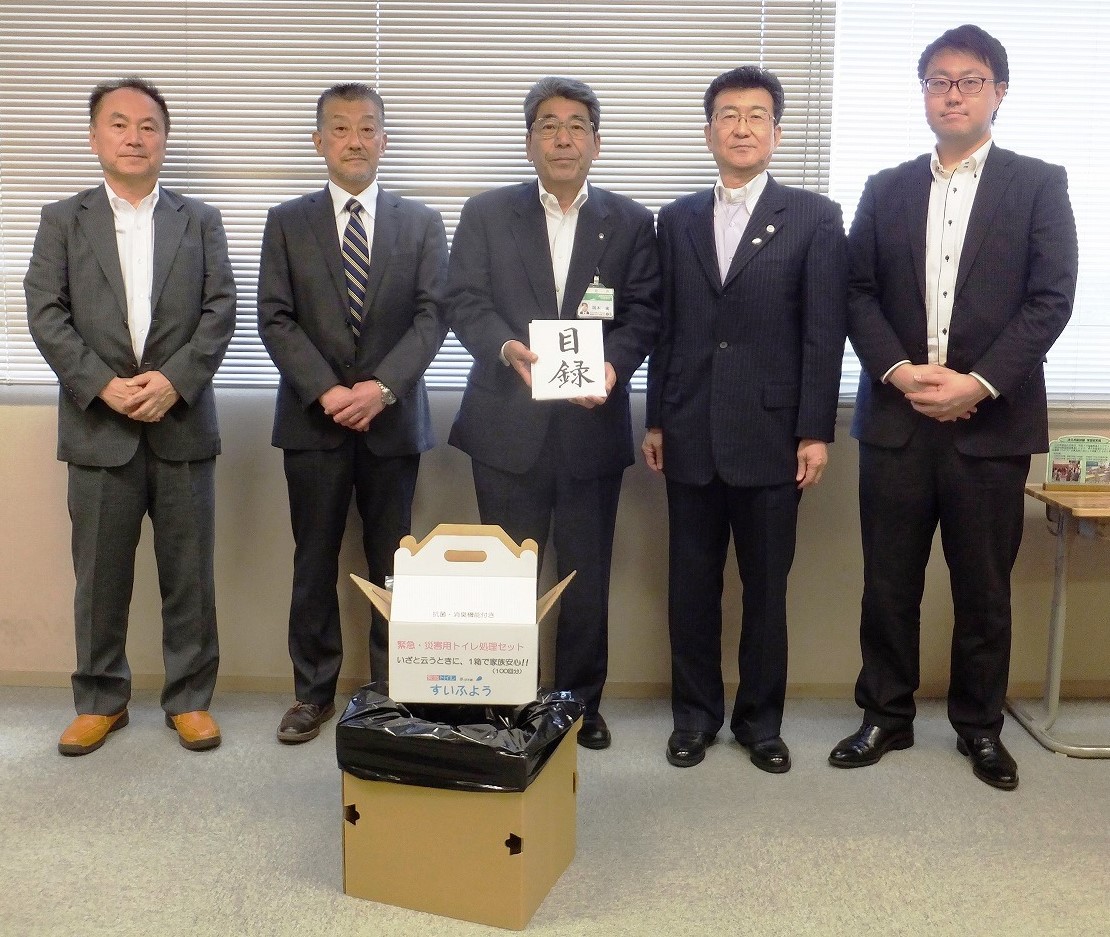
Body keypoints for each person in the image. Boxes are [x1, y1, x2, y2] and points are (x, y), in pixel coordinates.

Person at [829, 25, 1078, 790]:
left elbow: (1050, 299)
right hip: (896, 422)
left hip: (992, 426)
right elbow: (856, 292)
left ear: (999, 91)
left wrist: (977, 383)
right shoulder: (885, 188)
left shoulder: (1038, 184)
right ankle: (885, 714)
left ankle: (980, 727)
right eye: (938, 81)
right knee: (887, 584)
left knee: (984, 591)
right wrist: (902, 372)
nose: (953, 94)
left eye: (970, 80)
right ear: (924, 95)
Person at [642, 67, 847, 772]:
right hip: (690, 429)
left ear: (776, 133)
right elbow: (665, 327)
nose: (741, 128)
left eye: (756, 116)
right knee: (691, 588)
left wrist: (814, 430)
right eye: (728, 115)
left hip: (772, 435)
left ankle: (760, 723)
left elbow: (824, 332)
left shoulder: (815, 217)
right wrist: (657, 418)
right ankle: (694, 717)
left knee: (766, 591)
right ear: (708, 132)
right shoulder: (676, 219)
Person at [447, 77, 661, 749]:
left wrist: (613, 365)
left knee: (585, 578)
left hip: (591, 428)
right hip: (506, 428)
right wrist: (505, 347)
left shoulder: (630, 222)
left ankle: (578, 706)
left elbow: (644, 312)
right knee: (507, 581)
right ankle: (508, 701)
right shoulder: (486, 213)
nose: (563, 138)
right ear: (529, 140)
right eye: (549, 125)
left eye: (576, 126)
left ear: (597, 142)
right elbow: (464, 300)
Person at [25, 77, 236, 755]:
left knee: (189, 575)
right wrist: (102, 385)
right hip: (99, 427)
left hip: (182, 424)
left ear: (164, 140)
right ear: (95, 137)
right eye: (119, 124)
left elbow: (220, 311)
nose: (134, 137)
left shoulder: (199, 220)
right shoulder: (63, 219)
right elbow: (45, 313)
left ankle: (190, 699)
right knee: (99, 578)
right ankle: (100, 700)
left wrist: (174, 381)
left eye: (148, 126)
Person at [258, 83, 448, 744]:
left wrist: (381, 388)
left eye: (367, 128)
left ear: (384, 141)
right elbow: (275, 317)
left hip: (393, 422)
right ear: (319, 142)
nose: (355, 140)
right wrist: (327, 391)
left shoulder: (421, 223)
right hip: (313, 423)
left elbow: (433, 316)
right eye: (340, 128)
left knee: (394, 563)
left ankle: (393, 691)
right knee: (313, 559)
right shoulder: (287, 221)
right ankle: (312, 693)